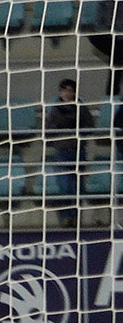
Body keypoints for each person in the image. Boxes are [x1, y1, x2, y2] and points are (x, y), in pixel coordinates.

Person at [45, 78, 97, 225]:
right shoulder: (55, 109)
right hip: (62, 151)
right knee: (65, 186)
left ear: (74, 92)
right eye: (64, 90)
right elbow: (48, 131)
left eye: (70, 90)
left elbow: (90, 127)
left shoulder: (81, 108)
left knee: (77, 187)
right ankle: (67, 216)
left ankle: (75, 217)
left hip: (78, 150)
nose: (67, 94)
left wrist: (77, 132)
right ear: (60, 92)